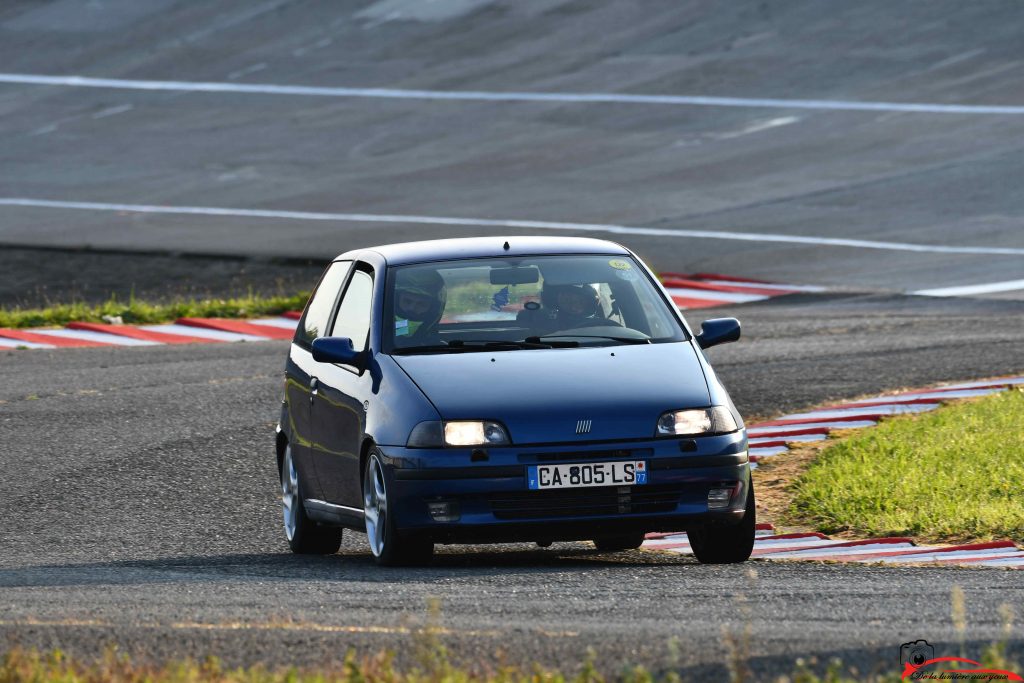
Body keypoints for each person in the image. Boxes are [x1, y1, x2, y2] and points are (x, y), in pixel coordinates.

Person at [393, 269, 447, 343]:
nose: (412, 308)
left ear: (433, 309)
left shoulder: (438, 349)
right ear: (395, 301)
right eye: (407, 301)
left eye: (421, 304)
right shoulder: (376, 338)